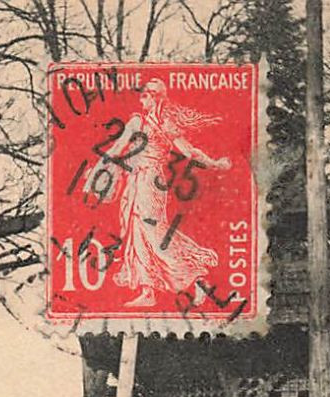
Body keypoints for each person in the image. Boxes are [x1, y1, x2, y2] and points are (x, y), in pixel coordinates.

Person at [88, 78, 231, 308]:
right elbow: (117, 148)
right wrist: (99, 169)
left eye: (147, 94)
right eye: (142, 93)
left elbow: (189, 152)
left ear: (157, 97)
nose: (142, 97)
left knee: (153, 233)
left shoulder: (165, 123)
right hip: (135, 181)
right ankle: (149, 291)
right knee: (137, 233)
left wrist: (215, 163)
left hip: (151, 182)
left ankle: (195, 278)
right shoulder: (137, 121)